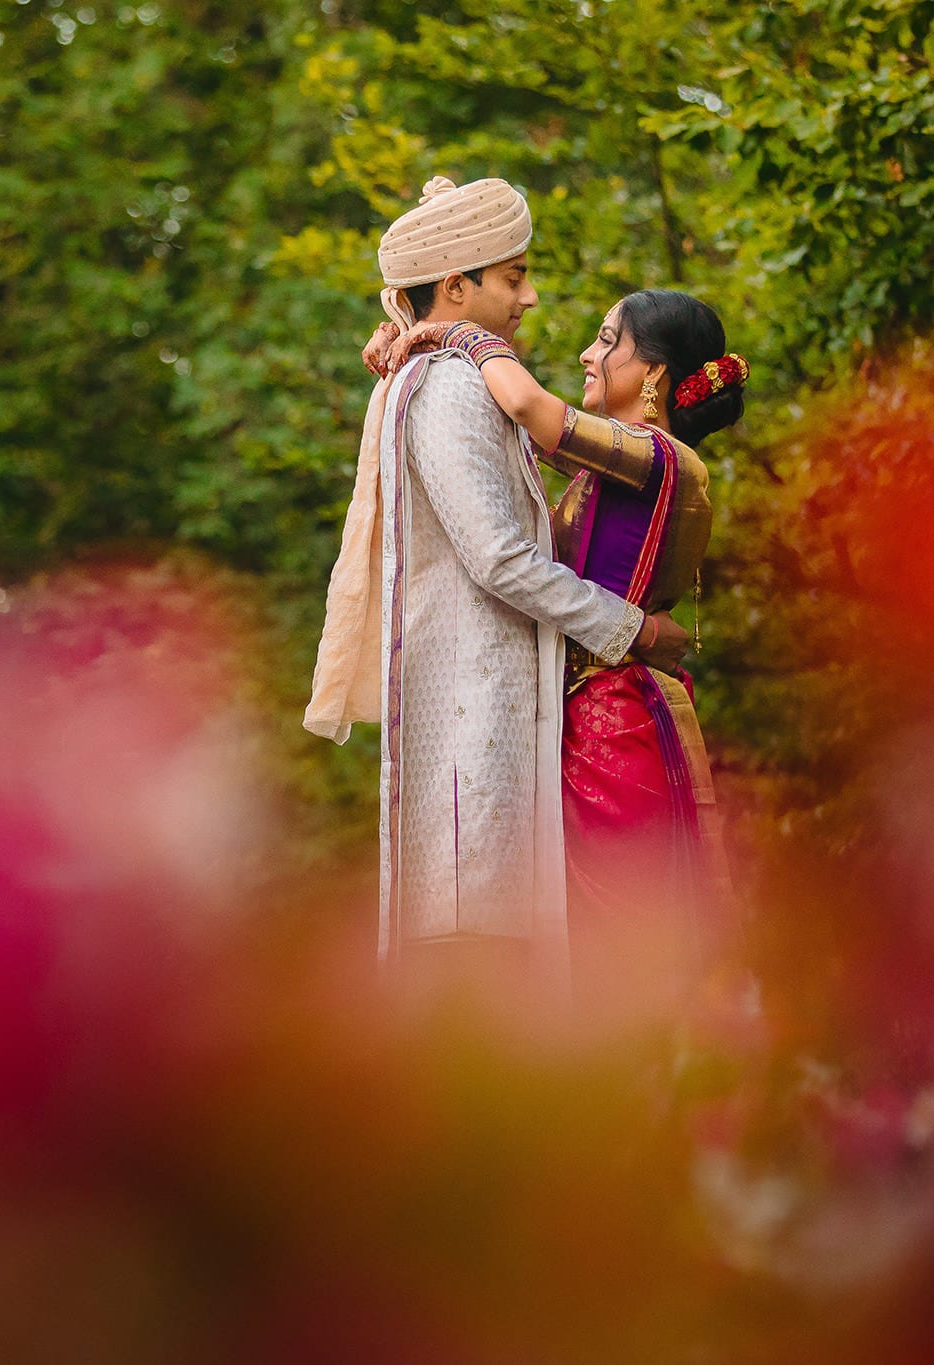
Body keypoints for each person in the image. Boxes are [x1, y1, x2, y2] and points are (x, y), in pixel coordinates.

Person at [304, 176, 688, 989]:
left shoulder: (448, 373)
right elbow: (503, 559)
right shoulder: (448, 387)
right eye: (513, 278)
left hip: (500, 733)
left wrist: (434, 337)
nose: (530, 296)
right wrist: (632, 629)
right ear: (456, 286)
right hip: (474, 754)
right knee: (483, 980)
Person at [369, 288, 744, 994]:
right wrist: (407, 334)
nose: (588, 353)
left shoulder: (657, 457)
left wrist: (459, 333)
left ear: (655, 373)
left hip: (612, 724)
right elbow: (507, 445)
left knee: (615, 944)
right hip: (590, 713)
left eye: (608, 341)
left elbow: (528, 411)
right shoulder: (624, 463)